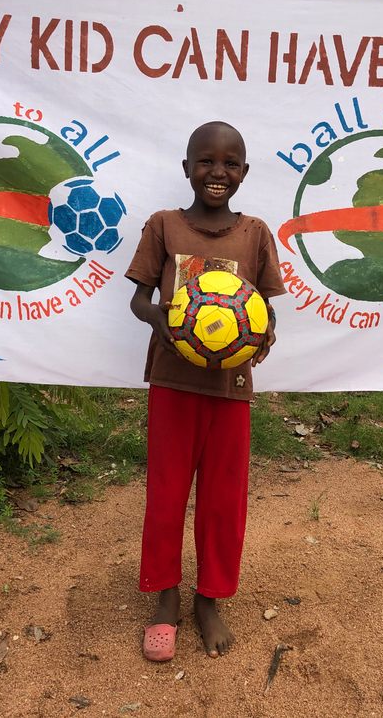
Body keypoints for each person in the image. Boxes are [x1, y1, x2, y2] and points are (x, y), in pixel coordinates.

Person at [125, 121, 286, 661]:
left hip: (229, 389)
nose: (218, 172)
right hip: (172, 382)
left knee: (223, 500)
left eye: (230, 163)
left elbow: (264, 310)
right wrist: (162, 321)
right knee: (166, 493)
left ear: (244, 172)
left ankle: (209, 597)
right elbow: (139, 300)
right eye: (206, 161)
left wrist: (262, 337)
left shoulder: (255, 233)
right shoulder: (163, 226)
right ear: (187, 167)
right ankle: (165, 596)